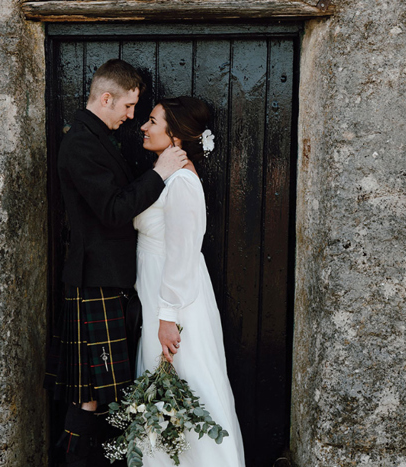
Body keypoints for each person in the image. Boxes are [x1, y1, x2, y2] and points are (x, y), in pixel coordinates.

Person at [43, 59, 188, 467]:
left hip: (108, 280)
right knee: (91, 394)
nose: (130, 117)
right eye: (127, 107)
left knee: (96, 393)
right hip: (96, 281)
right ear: (106, 98)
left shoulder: (97, 137)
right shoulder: (81, 144)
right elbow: (110, 209)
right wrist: (159, 173)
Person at [134, 96, 246, 466]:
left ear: (176, 134)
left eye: (152, 121)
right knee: (165, 388)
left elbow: (182, 253)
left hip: (175, 302)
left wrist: (168, 316)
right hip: (157, 295)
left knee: (190, 382)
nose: (144, 127)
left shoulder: (182, 181)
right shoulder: (168, 175)